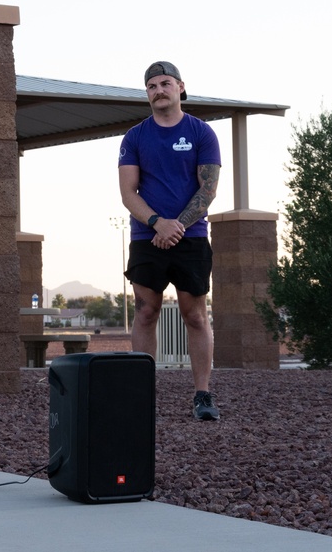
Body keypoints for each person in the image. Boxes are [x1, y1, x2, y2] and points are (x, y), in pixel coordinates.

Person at [118, 61, 221, 421]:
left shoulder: (202, 133)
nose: (158, 90)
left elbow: (207, 190)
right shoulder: (135, 137)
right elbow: (128, 193)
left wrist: (176, 227)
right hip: (147, 237)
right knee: (146, 312)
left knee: (195, 315)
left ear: (180, 86)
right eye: (151, 86)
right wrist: (157, 223)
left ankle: (203, 396)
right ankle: (142, 395)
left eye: (164, 83)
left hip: (191, 237)